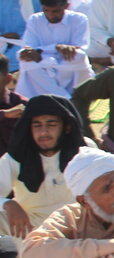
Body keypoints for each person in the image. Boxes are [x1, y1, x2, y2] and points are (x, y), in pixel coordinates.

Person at [0, 96, 91, 239]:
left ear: (66, 127)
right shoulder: (15, 157)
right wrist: (8, 204)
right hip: (29, 229)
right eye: (37, 125)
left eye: (51, 124)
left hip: (77, 226)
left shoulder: (85, 150)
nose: (43, 133)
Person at [16, 0, 91, 99]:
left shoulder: (79, 19)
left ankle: (58, 97)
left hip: (66, 63)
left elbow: (79, 48)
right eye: (46, 10)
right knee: (25, 60)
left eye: (56, 11)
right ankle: (65, 99)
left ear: (66, 6)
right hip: (42, 63)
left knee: (79, 56)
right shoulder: (35, 19)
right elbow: (29, 48)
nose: (50, 15)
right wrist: (55, 48)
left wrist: (45, 56)